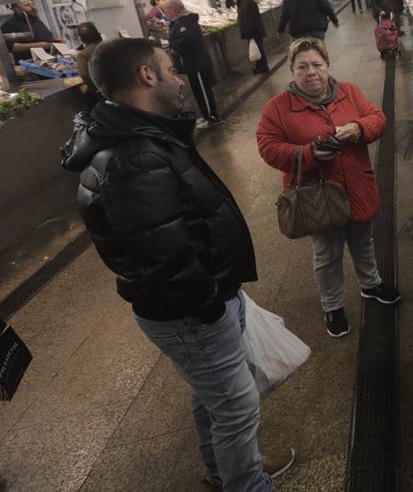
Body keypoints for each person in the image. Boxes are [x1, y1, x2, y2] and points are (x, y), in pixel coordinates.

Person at [60, 38, 295, 492]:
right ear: (147, 76)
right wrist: (211, 305)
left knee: (215, 398)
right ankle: (247, 483)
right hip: (192, 311)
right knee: (236, 406)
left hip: (202, 301)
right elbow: (162, 255)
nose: (180, 78)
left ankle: (223, 471)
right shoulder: (133, 156)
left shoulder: (142, 135)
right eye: (170, 69)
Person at [256, 38, 400, 338]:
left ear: (327, 65)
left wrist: (358, 128)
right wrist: (308, 153)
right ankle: (332, 306)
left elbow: (377, 118)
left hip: (356, 185)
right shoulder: (278, 108)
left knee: (363, 240)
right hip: (317, 195)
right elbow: (268, 146)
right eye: (302, 67)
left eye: (317, 65)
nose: (311, 72)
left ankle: (371, 284)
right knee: (327, 253)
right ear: (292, 71)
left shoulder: (349, 92)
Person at [161, 0, 223, 129]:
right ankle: (206, 114)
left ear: (173, 10)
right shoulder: (178, 22)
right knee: (198, 91)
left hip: (196, 63)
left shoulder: (185, 22)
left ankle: (213, 117)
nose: (165, 13)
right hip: (191, 65)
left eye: (166, 10)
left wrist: (175, 48)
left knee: (203, 91)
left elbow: (186, 42)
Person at [231, 0, 268, 75]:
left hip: (254, 33)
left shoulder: (247, 4)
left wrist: (250, 35)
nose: (233, 0)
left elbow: (249, 21)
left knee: (258, 50)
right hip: (253, 33)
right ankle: (260, 67)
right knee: (257, 50)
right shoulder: (245, 3)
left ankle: (263, 67)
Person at [74, 21, 104, 106]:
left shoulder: (83, 54)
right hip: (116, 88)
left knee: (78, 88)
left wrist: (90, 88)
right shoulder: (109, 46)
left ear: (81, 39)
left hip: (98, 91)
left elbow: (84, 76)